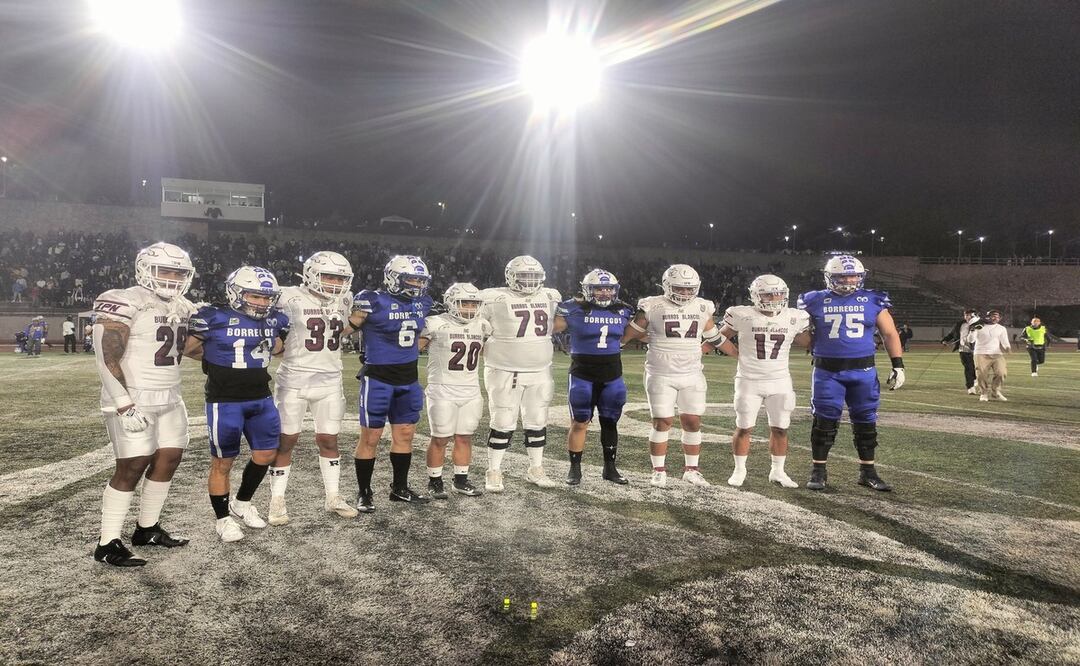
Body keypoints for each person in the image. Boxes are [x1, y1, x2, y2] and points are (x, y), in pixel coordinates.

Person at [91, 242, 197, 567]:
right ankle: (107, 542)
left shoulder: (185, 306)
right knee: (133, 464)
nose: (172, 278)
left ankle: (147, 529)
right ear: (145, 270)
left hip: (170, 395)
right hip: (134, 396)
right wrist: (123, 403)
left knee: (169, 459)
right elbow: (106, 354)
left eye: (178, 272)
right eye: (165, 270)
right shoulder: (126, 299)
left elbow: (186, 348)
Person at [185, 266, 290, 542]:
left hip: (261, 398)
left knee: (266, 455)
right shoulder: (213, 316)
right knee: (222, 462)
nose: (263, 303)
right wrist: (219, 358)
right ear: (236, 293)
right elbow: (188, 349)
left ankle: (242, 503)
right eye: (256, 296)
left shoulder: (275, 320)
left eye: (267, 298)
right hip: (225, 400)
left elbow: (278, 348)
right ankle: (222, 519)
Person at [797, 255, 905, 492]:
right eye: (842, 276)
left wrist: (898, 364)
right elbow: (801, 336)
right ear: (829, 277)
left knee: (866, 421)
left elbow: (889, 333)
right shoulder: (814, 300)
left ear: (861, 276)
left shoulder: (873, 299)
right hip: (827, 371)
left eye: (853, 275)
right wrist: (800, 333)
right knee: (824, 422)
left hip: (863, 371)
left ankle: (868, 471)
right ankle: (819, 470)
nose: (848, 280)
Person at [266, 251, 359, 526]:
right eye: (328, 276)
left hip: (330, 379)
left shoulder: (345, 298)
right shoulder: (286, 296)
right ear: (310, 274)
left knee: (329, 439)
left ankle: (333, 496)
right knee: (286, 441)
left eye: (340, 277)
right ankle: (277, 499)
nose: (334, 282)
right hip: (294, 379)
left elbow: (339, 330)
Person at [621, 264, 724, 488]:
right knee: (662, 422)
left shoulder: (702, 306)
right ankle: (658, 470)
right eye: (680, 288)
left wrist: (738, 354)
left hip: (692, 373)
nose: (685, 293)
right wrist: (650, 339)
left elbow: (713, 336)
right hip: (660, 373)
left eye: (689, 289)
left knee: (693, 421)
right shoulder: (653, 305)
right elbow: (630, 334)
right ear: (667, 286)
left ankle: (692, 470)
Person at [345, 255, 434, 512]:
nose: (417, 284)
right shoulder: (373, 299)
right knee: (370, 437)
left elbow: (429, 331)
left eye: (420, 279)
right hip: (378, 379)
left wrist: (419, 344)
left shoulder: (426, 302)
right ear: (394, 277)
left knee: (405, 435)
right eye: (411, 278)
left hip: (408, 378)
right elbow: (347, 329)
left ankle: (399, 488)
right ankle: (364, 491)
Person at [715, 275, 811, 489]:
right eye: (768, 294)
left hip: (780, 381)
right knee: (744, 427)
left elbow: (808, 342)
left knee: (780, 428)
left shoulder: (793, 317)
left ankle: (778, 471)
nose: (774, 298)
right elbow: (719, 338)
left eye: (778, 293)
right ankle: (739, 470)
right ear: (756, 295)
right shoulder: (743, 315)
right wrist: (731, 352)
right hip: (749, 380)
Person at [479, 256, 562, 492]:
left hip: (540, 370)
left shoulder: (550, 295)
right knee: (503, 420)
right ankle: (494, 470)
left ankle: (536, 468)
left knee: (537, 420)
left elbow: (560, 322)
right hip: (505, 370)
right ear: (510, 276)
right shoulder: (493, 297)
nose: (530, 280)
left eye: (534, 276)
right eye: (524, 275)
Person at [552, 269, 634, 486]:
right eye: (599, 288)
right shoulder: (573, 308)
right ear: (588, 290)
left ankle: (610, 468)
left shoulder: (624, 310)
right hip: (582, 372)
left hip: (612, 372)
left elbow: (637, 331)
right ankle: (574, 468)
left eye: (609, 288)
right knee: (580, 421)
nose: (605, 293)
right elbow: (548, 328)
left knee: (610, 422)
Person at [419, 282, 489, 498]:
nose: (469, 307)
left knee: (465, 437)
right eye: (464, 302)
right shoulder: (434, 323)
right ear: (450, 303)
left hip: (470, 390)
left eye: (473, 303)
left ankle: (460, 480)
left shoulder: (483, 325)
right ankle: (435, 481)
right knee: (440, 438)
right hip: (442, 389)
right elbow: (413, 348)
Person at [968, 309, 1011, 401]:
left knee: (1001, 373)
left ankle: (996, 392)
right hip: (980, 353)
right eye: (993, 316)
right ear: (988, 316)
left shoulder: (1001, 328)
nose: (995, 318)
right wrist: (972, 330)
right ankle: (983, 393)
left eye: (997, 316)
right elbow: (971, 340)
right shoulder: (979, 326)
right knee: (981, 375)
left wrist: (1007, 348)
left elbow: (1004, 341)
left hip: (997, 354)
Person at [941, 308, 979, 394]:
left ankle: (976, 379)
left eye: (969, 315)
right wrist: (945, 340)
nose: (967, 316)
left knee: (977, 368)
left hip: (978, 350)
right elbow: (952, 334)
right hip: (963, 350)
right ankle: (970, 387)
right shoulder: (960, 324)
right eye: (966, 315)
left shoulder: (979, 324)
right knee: (968, 368)